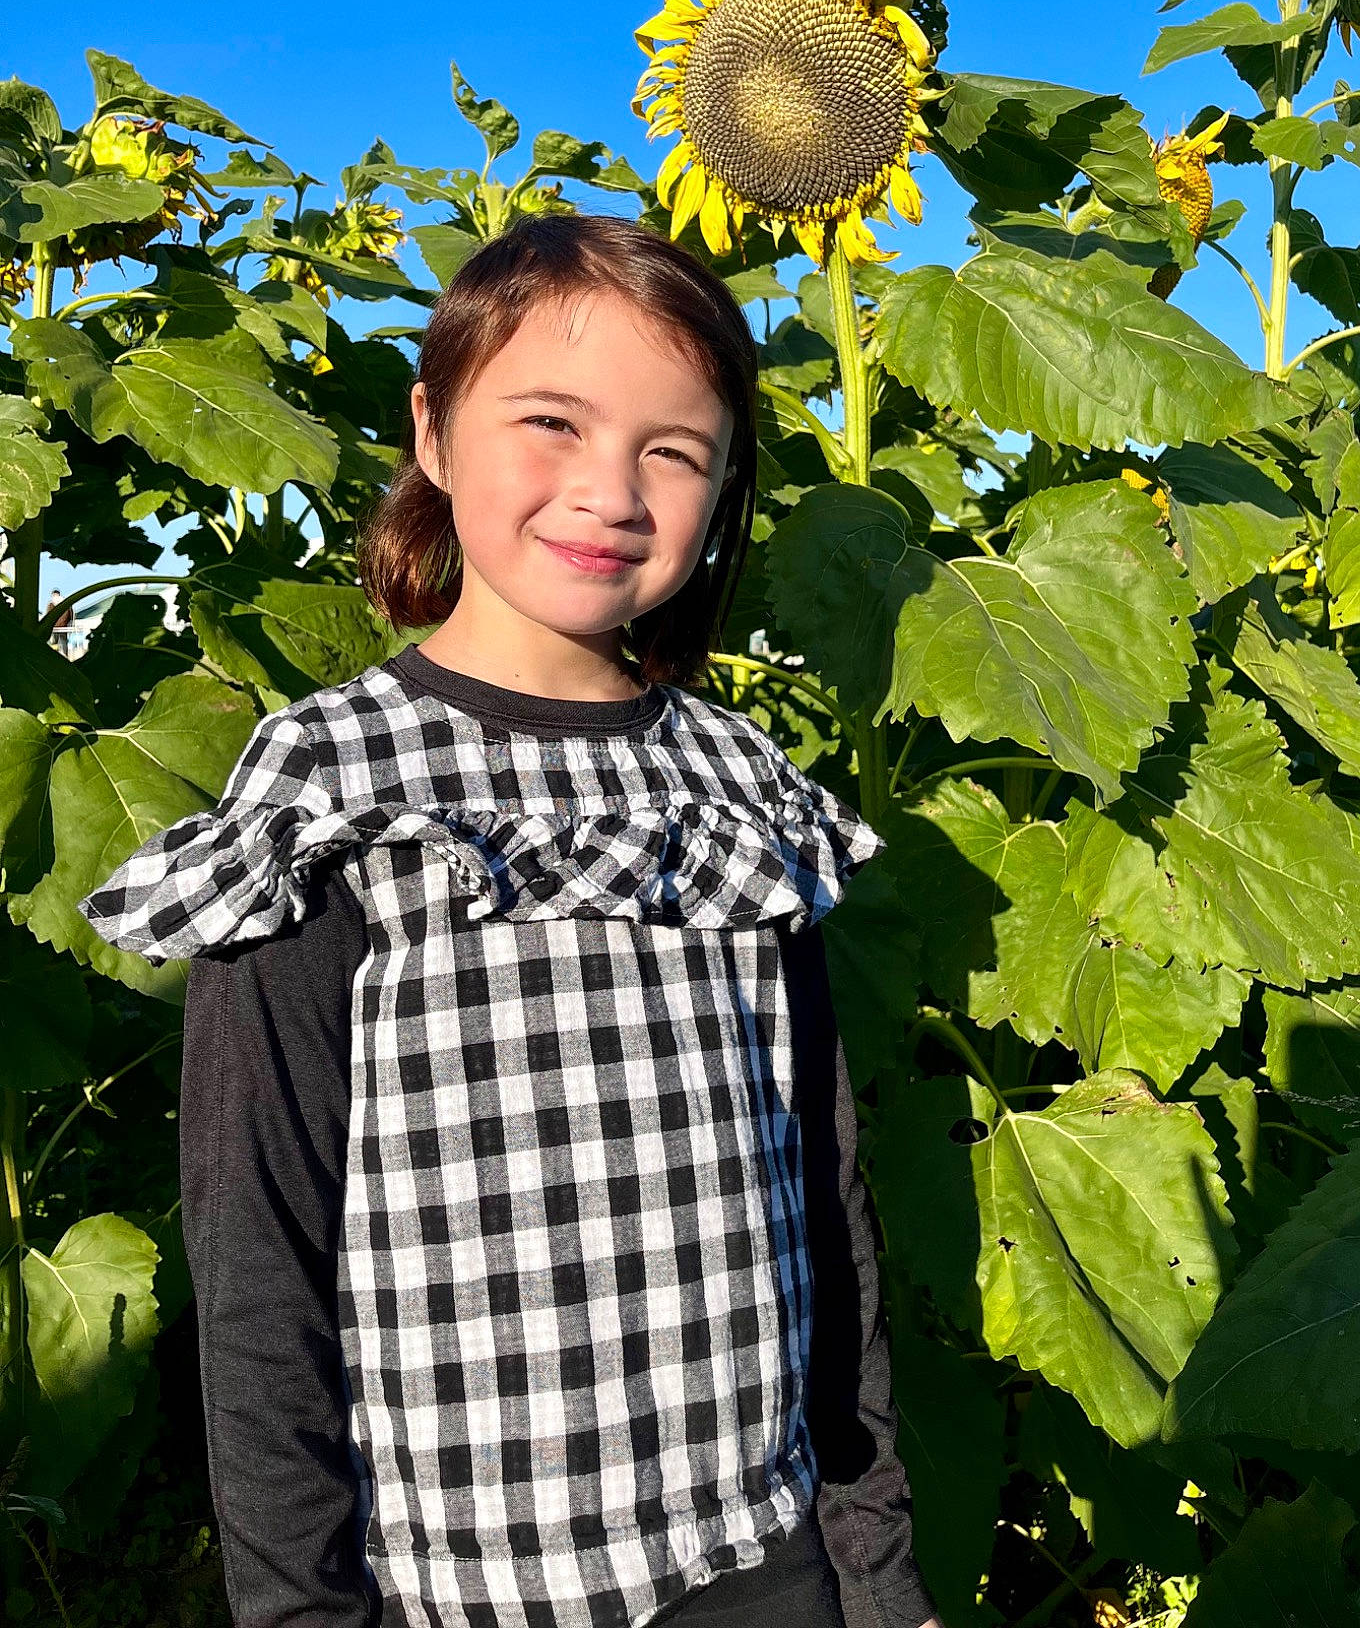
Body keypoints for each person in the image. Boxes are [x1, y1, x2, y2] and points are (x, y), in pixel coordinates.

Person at [79, 214, 942, 1628]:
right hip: (473, 1581)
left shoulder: (737, 787)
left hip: (764, 1553)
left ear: (723, 487)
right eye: (551, 422)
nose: (610, 490)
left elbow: (820, 1185)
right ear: (431, 429)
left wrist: (873, 1556)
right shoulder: (334, 781)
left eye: (674, 450)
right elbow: (259, 1261)